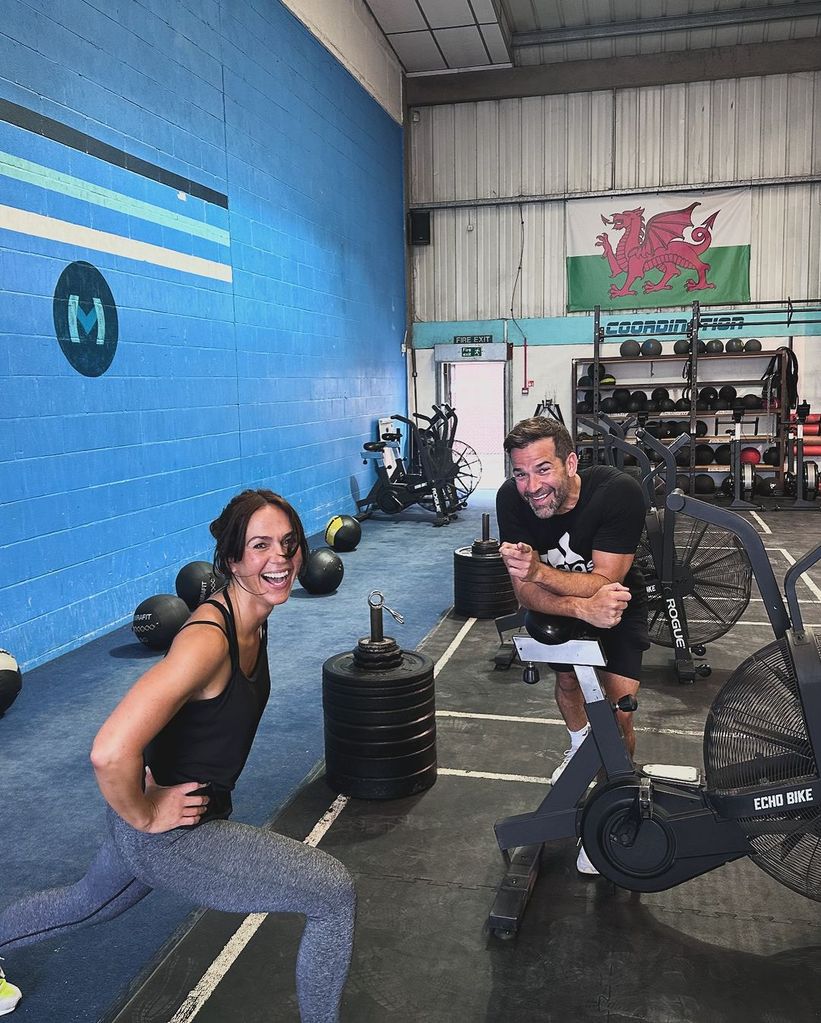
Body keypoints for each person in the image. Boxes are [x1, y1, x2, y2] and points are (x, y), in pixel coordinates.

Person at [0, 489, 356, 1021]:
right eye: (260, 546)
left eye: (288, 543)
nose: (279, 558)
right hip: (172, 832)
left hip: (151, 823)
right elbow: (109, 750)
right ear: (232, 560)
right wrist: (146, 813)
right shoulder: (207, 641)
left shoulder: (254, 613)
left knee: (84, 905)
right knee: (332, 894)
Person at [496, 417, 649, 875]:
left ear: (571, 462)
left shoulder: (618, 492)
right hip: (568, 606)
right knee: (568, 680)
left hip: (618, 602)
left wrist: (540, 573)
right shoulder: (511, 499)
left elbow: (606, 583)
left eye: (543, 470)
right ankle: (579, 745)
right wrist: (579, 609)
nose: (531, 486)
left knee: (619, 710)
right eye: (521, 473)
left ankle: (608, 806)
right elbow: (524, 593)